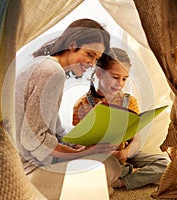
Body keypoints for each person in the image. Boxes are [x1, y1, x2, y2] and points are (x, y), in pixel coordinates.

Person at [11, 19, 122, 200]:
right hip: (27, 173)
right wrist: (80, 153)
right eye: (89, 54)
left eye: (96, 59)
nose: (92, 64)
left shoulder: (45, 64)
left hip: (28, 164)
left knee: (110, 163)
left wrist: (77, 144)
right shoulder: (52, 72)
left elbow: (54, 129)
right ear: (72, 45)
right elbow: (32, 139)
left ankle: (101, 186)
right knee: (108, 169)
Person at [72, 47, 170, 190]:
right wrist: (102, 152)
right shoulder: (82, 105)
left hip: (125, 154)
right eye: (115, 77)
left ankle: (120, 181)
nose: (120, 83)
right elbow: (77, 145)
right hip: (99, 156)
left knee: (165, 163)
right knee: (91, 166)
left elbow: (135, 140)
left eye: (124, 78)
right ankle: (127, 172)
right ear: (99, 73)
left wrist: (125, 153)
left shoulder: (130, 102)